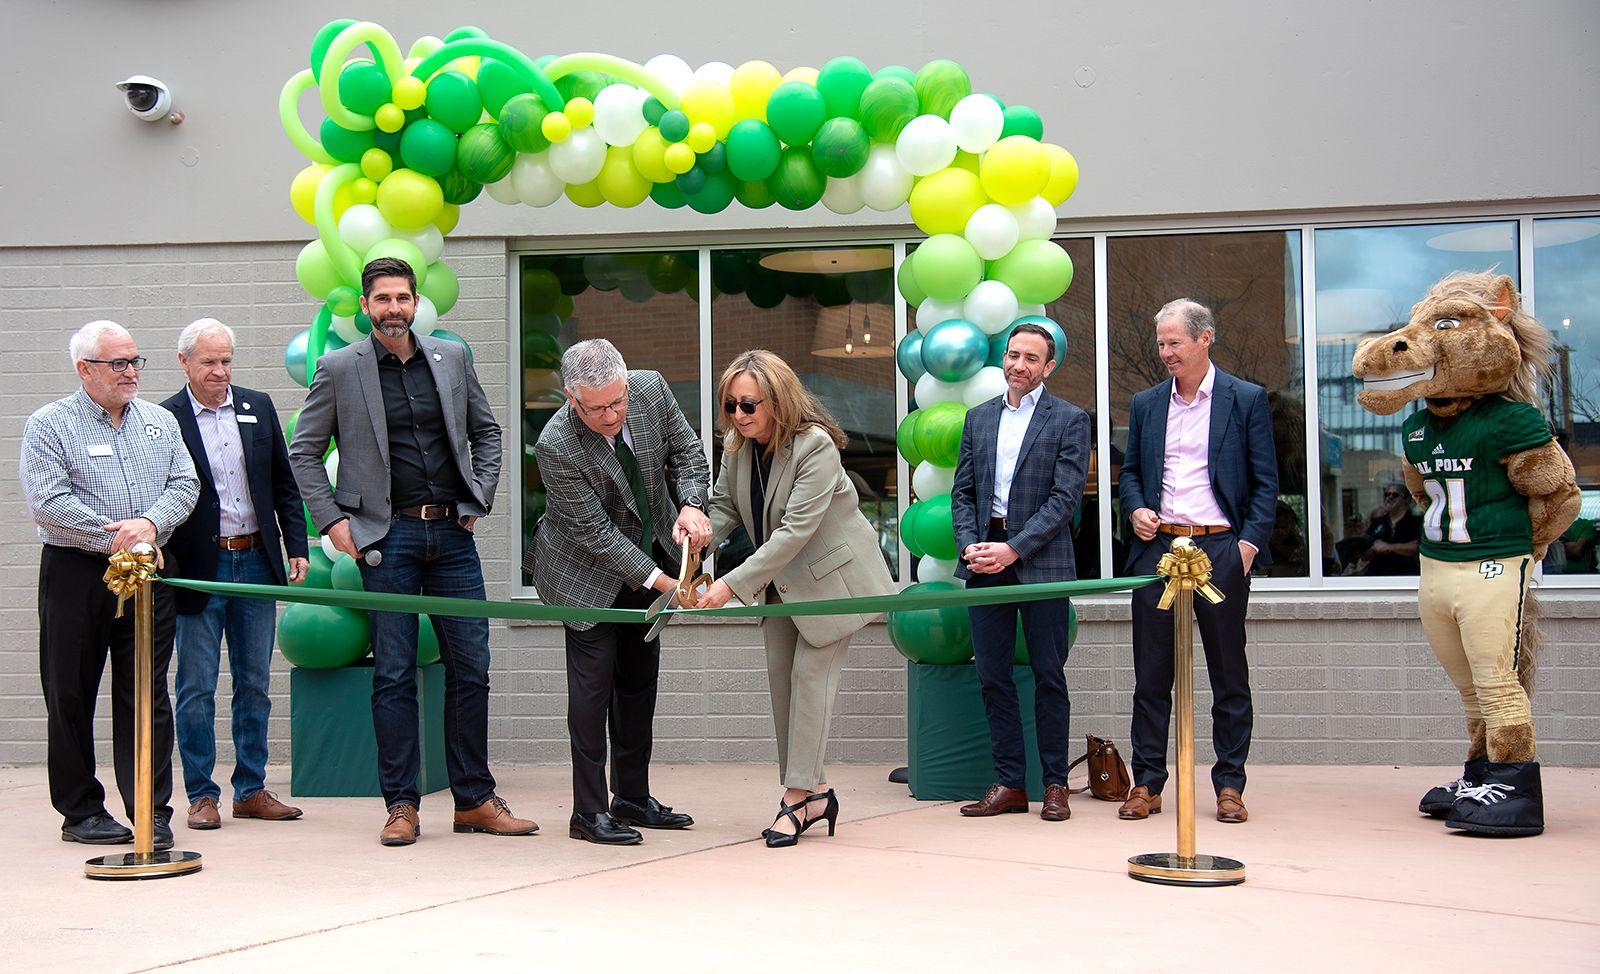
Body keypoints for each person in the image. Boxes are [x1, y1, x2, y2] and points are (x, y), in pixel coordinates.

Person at [290, 257, 534, 847]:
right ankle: (401, 805)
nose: (393, 308)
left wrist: (480, 498)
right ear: (365, 306)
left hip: (452, 535)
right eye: (382, 299)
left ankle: (474, 799)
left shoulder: (451, 358)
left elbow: (488, 432)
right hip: (386, 539)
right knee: (394, 674)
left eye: (402, 297)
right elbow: (304, 451)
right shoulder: (339, 368)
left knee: (471, 667)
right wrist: (333, 523)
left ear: (416, 302)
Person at [693, 351, 898, 846]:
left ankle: (796, 798)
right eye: (730, 405)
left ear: (778, 400)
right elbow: (724, 507)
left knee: (810, 682)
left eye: (748, 404)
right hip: (781, 584)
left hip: (833, 585)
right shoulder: (738, 446)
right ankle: (819, 793)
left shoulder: (815, 446)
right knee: (784, 688)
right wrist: (695, 541)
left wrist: (730, 584)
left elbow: (794, 531)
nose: (738, 415)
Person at [20, 320, 199, 849]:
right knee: (70, 692)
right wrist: (120, 537)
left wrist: (149, 526)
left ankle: (150, 809)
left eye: (135, 361)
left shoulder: (160, 422)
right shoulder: (49, 424)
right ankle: (81, 812)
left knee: (145, 692)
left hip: (147, 572)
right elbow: (48, 502)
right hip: (77, 573)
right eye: (118, 363)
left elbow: (185, 483)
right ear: (84, 369)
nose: (131, 372)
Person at [526, 339, 711, 846]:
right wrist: (666, 582)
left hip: (648, 553)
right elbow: (594, 533)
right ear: (571, 398)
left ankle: (630, 796)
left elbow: (688, 452)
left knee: (637, 684)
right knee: (591, 695)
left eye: (617, 401)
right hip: (584, 574)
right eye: (597, 408)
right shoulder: (556, 444)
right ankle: (587, 813)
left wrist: (692, 504)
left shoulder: (651, 389)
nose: (611, 415)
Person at [1118, 298, 1278, 825]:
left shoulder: (1246, 399)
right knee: (1151, 675)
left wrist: (1247, 547)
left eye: (1174, 342)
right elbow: (1131, 474)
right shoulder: (1146, 403)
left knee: (1228, 672)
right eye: (1161, 343)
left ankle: (1230, 785)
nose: (1166, 352)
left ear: (1204, 338)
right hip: (1159, 550)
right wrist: (1136, 509)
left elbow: (1266, 482)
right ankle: (1147, 783)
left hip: (1220, 550)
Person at [161, 318, 309, 831]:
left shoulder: (257, 406)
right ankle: (201, 794)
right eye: (209, 362)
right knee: (196, 686)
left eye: (226, 360)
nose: (220, 371)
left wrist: (296, 547)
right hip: (201, 569)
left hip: (256, 561)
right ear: (184, 363)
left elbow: (284, 483)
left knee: (255, 683)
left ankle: (250, 789)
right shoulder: (164, 418)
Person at [948, 322, 1090, 822]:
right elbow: (963, 492)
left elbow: (1065, 500)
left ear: (1048, 367)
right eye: (1013, 355)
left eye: (1031, 358)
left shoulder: (1069, 419)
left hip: (1041, 561)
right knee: (992, 676)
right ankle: (1009, 783)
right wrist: (969, 546)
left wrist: (1013, 549)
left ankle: (1055, 785)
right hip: (985, 558)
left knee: (1049, 675)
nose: (1019, 365)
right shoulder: (979, 418)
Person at [1358, 481, 1422, 576]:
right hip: (1377, 575)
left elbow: (1418, 548)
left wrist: (1390, 547)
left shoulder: (1415, 522)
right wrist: (1374, 548)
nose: (1390, 497)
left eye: (1395, 495)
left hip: (1406, 575)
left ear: (1406, 499)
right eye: (1387, 494)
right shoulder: (1377, 522)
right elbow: (1364, 556)